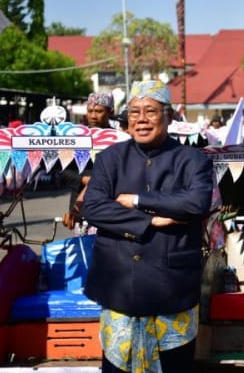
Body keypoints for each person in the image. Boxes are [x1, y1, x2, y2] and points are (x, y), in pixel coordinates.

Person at [82, 80, 214, 373]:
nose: (141, 119)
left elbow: (195, 203)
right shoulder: (110, 159)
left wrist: (137, 200)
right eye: (134, 112)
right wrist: (150, 219)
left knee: (174, 366)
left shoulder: (192, 160)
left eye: (150, 111)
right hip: (119, 288)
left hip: (171, 288)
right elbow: (92, 207)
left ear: (168, 116)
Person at [61, 92, 115, 231]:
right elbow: (64, 172)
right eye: (90, 111)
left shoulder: (118, 139)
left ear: (110, 112)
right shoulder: (76, 139)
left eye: (98, 111)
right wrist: (83, 179)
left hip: (110, 210)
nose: (93, 116)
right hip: (80, 211)